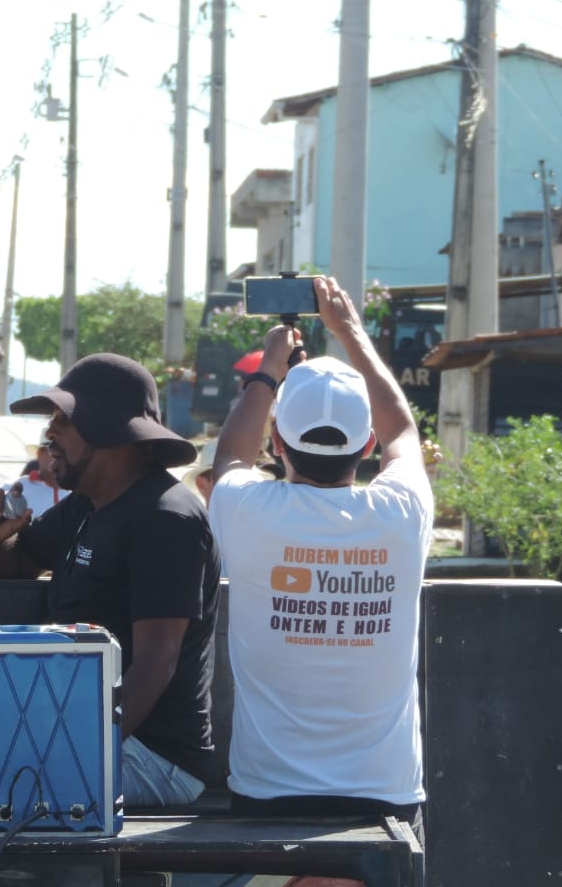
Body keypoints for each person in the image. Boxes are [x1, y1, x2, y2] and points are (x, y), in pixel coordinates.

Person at [0, 354, 218, 818]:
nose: (49, 434)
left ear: (112, 431)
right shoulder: (86, 505)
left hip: (152, 754)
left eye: (63, 421)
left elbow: (157, 662)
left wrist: (69, 751)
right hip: (65, 726)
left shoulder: (165, 518)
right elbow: (19, 564)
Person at [206, 276, 432, 839]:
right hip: (386, 801)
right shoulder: (402, 510)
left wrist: (268, 371)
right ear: (365, 446)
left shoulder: (248, 510)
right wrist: (350, 331)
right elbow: (402, 428)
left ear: (277, 443)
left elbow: (230, 455)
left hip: (267, 797)